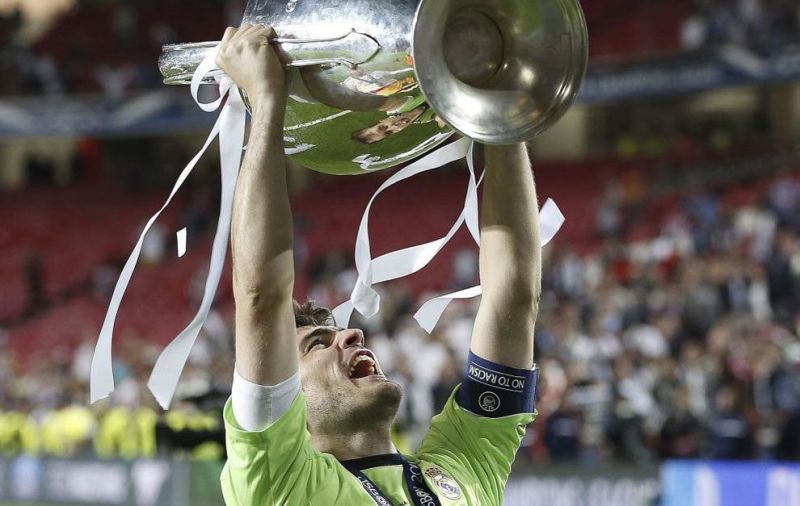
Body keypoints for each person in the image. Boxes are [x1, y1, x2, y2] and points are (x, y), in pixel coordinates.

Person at [217, 24, 544, 505]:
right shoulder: (276, 483)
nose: (352, 335)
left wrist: (495, 106)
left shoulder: (463, 471)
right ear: (286, 403)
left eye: (335, 333)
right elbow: (261, 295)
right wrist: (265, 103)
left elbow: (514, 293)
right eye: (316, 346)